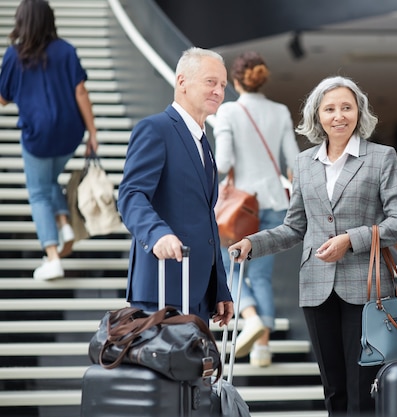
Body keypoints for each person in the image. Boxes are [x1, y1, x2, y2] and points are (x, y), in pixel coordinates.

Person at [229, 75, 397, 415]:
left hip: (367, 289)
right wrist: (252, 244)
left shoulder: (381, 157)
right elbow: (294, 227)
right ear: (317, 116)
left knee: (363, 389)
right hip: (316, 287)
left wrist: (351, 240)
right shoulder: (304, 163)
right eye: (329, 109)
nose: (338, 116)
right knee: (333, 390)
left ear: (359, 112)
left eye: (346, 107)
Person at [117, 47, 233, 327]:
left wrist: (219, 286)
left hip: (198, 293)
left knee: (194, 373)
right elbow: (131, 195)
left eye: (223, 85)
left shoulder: (204, 142)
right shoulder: (155, 129)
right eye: (210, 82)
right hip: (162, 286)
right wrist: (157, 235)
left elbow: (205, 219)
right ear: (182, 82)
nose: (218, 91)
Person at [212, 51, 300, 367]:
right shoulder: (279, 111)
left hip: (240, 206)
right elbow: (292, 159)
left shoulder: (228, 112)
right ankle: (262, 347)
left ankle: (250, 318)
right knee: (261, 276)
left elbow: (222, 163)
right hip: (276, 202)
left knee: (228, 266)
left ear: (236, 81)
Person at [0, 0, 98, 281]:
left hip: (38, 137)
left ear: (21, 21)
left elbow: (4, 98)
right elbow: (81, 92)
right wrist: (93, 132)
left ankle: (53, 257)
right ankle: (64, 223)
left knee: (39, 191)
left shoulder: (14, 55)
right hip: (70, 134)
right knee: (48, 180)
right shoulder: (66, 51)